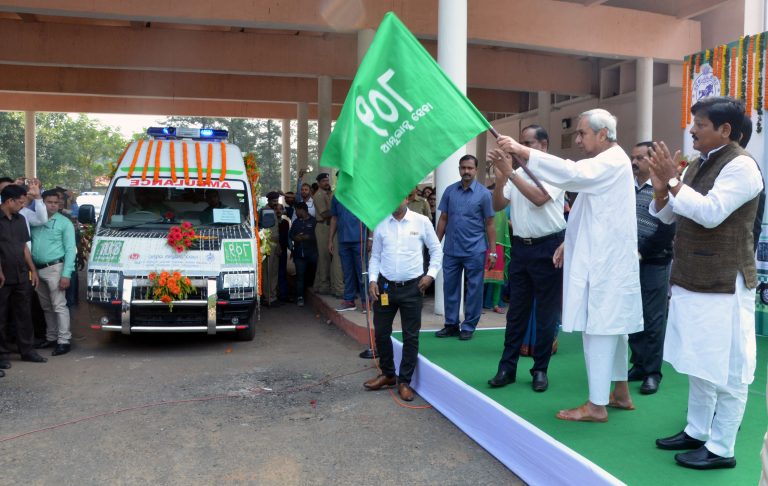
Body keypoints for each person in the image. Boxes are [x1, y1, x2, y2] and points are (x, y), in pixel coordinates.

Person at [497, 108, 642, 422]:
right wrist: (568, 242)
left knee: (601, 328)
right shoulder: (609, 163)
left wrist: (521, 151)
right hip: (604, 257)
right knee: (613, 328)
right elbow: (587, 211)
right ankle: (620, 392)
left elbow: (573, 174)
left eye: (582, 133)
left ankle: (596, 405)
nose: (577, 139)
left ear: (603, 134)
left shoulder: (610, 161)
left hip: (605, 261)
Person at [648, 97, 761, 469]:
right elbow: (669, 216)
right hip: (693, 280)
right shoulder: (701, 162)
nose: (692, 130)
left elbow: (711, 214)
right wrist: (663, 188)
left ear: (725, 130)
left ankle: (722, 447)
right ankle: (697, 431)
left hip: (725, 283)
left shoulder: (742, 167)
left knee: (729, 370)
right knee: (698, 362)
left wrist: (675, 180)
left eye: (700, 124)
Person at [487, 124, 566, 393]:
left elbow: (540, 198)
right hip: (521, 249)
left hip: (549, 249)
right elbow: (498, 205)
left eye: (528, 144)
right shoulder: (516, 173)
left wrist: (510, 174)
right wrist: (501, 180)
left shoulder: (554, 170)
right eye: (521, 143)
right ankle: (507, 368)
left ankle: (540, 370)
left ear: (543, 145)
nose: (522, 148)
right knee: (516, 313)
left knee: (546, 315)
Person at [365, 199, 442, 401]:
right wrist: (372, 280)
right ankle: (388, 374)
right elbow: (375, 256)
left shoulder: (422, 221)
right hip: (385, 288)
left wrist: (431, 275)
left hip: (413, 287)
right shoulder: (380, 223)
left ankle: (405, 381)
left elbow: (436, 250)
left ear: (406, 198)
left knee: (410, 336)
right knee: (381, 332)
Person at [626, 141, 676, 395]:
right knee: (632, 314)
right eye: (632, 157)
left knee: (654, 318)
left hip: (654, 261)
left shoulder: (662, 189)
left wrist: (641, 251)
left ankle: (653, 373)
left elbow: (667, 228)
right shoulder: (624, 187)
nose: (635, 162)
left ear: (653, 160)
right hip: (627, 262)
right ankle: (639, 365)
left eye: (640, 158)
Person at [434, 155, 496, 341]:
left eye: (470, 168)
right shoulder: (450, 191)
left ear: (476, 170)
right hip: (451, 250)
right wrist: (436, 246)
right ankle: (451, 324)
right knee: (450, 287)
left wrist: (492, 251)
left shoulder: (484, 194)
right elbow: (443, 219)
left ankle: (468, 326)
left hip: (475, 250)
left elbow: (490, 224)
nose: (466, 171)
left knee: (474, 289)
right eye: (463, 168)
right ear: (459, 169)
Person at [0, 184, 48, 368]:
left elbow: (23, 247)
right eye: (20, 202)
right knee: (2, 316)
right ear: (9, 201)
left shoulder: (20, 219)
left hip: (21, 274)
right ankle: (2, 354)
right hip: (3, 276)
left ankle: (27, 351)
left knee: (24, 314)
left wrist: (33, 270)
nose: (22, 205)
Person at [31, 190, 76, 356]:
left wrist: (66, 274)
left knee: (59, 305)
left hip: (55, 269)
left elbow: (71, 250)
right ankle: (51, 337)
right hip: (37, 269)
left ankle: (64, 340)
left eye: (56, 203)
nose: (53, 205)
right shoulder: (35, 220)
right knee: (46, 307)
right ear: (42, 203)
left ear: (60, 204)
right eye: (49, 202)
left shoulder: (65, 223)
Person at [329, 195, 365, 312]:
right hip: (343, 240)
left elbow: (369, 217)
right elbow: (334, 218)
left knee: (362, 272)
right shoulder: (336, 197)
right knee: (347, 272)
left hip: (359, 240)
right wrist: (330, 240)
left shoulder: (360, 192)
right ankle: (349, 301)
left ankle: (366, 301)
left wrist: (370, 238)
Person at [289, 202, 317, 307]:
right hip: (299, 254)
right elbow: (291, 234)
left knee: (313, 273)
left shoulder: (314, 221)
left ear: (302, 210)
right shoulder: (296, 222)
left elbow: (317, 236)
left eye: (297, 210)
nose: (296, 212)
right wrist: (295, 237)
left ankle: (313, 294)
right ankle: (300, 297)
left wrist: (308, 237)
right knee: (300, 276)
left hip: (312, 253)